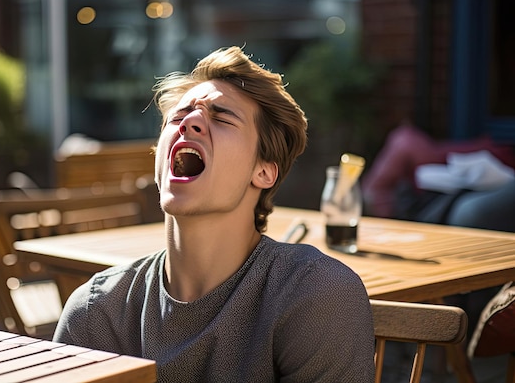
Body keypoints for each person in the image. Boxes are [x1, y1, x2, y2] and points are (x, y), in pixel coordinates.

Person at [53, 46, 375, 382]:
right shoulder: (97, 313)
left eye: (221, 117)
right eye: (178, 117)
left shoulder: (317, 297)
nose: (190, 122)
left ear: (264, 171)